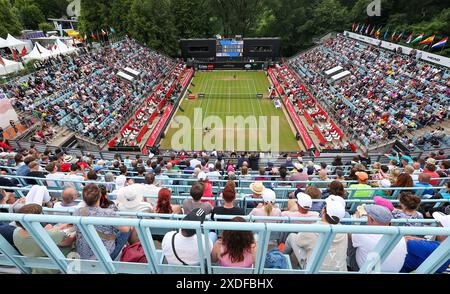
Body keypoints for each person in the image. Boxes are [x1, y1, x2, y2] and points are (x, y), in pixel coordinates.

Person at [283, 196, 348, 271]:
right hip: (339, 271)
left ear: (323, 211)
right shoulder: (344, 231)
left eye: (324, 207)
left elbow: (299, 241)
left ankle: (283, 256)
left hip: (313, 270)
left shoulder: (313, 228)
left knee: (292, 236)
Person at [73, 184, 131, 260]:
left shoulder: (77, 212)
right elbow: (126, 229)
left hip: (83, 255)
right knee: (129, 227)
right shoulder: (109, 213)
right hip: (104, 256)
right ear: (100, 196)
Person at [13, 204, 75, 274]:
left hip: (32, 262)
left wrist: (57, 228)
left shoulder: (16, 231)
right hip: (54, 264)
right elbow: (69, 241)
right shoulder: (48, 235)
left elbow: (44, 235)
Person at [348, 205, 407, 273]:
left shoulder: (361, 234)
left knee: (350, 240)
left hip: (366, 271)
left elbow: (347, 234)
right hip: (393, 272)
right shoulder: (399, 237)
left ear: (371, 219)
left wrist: (356, 221)